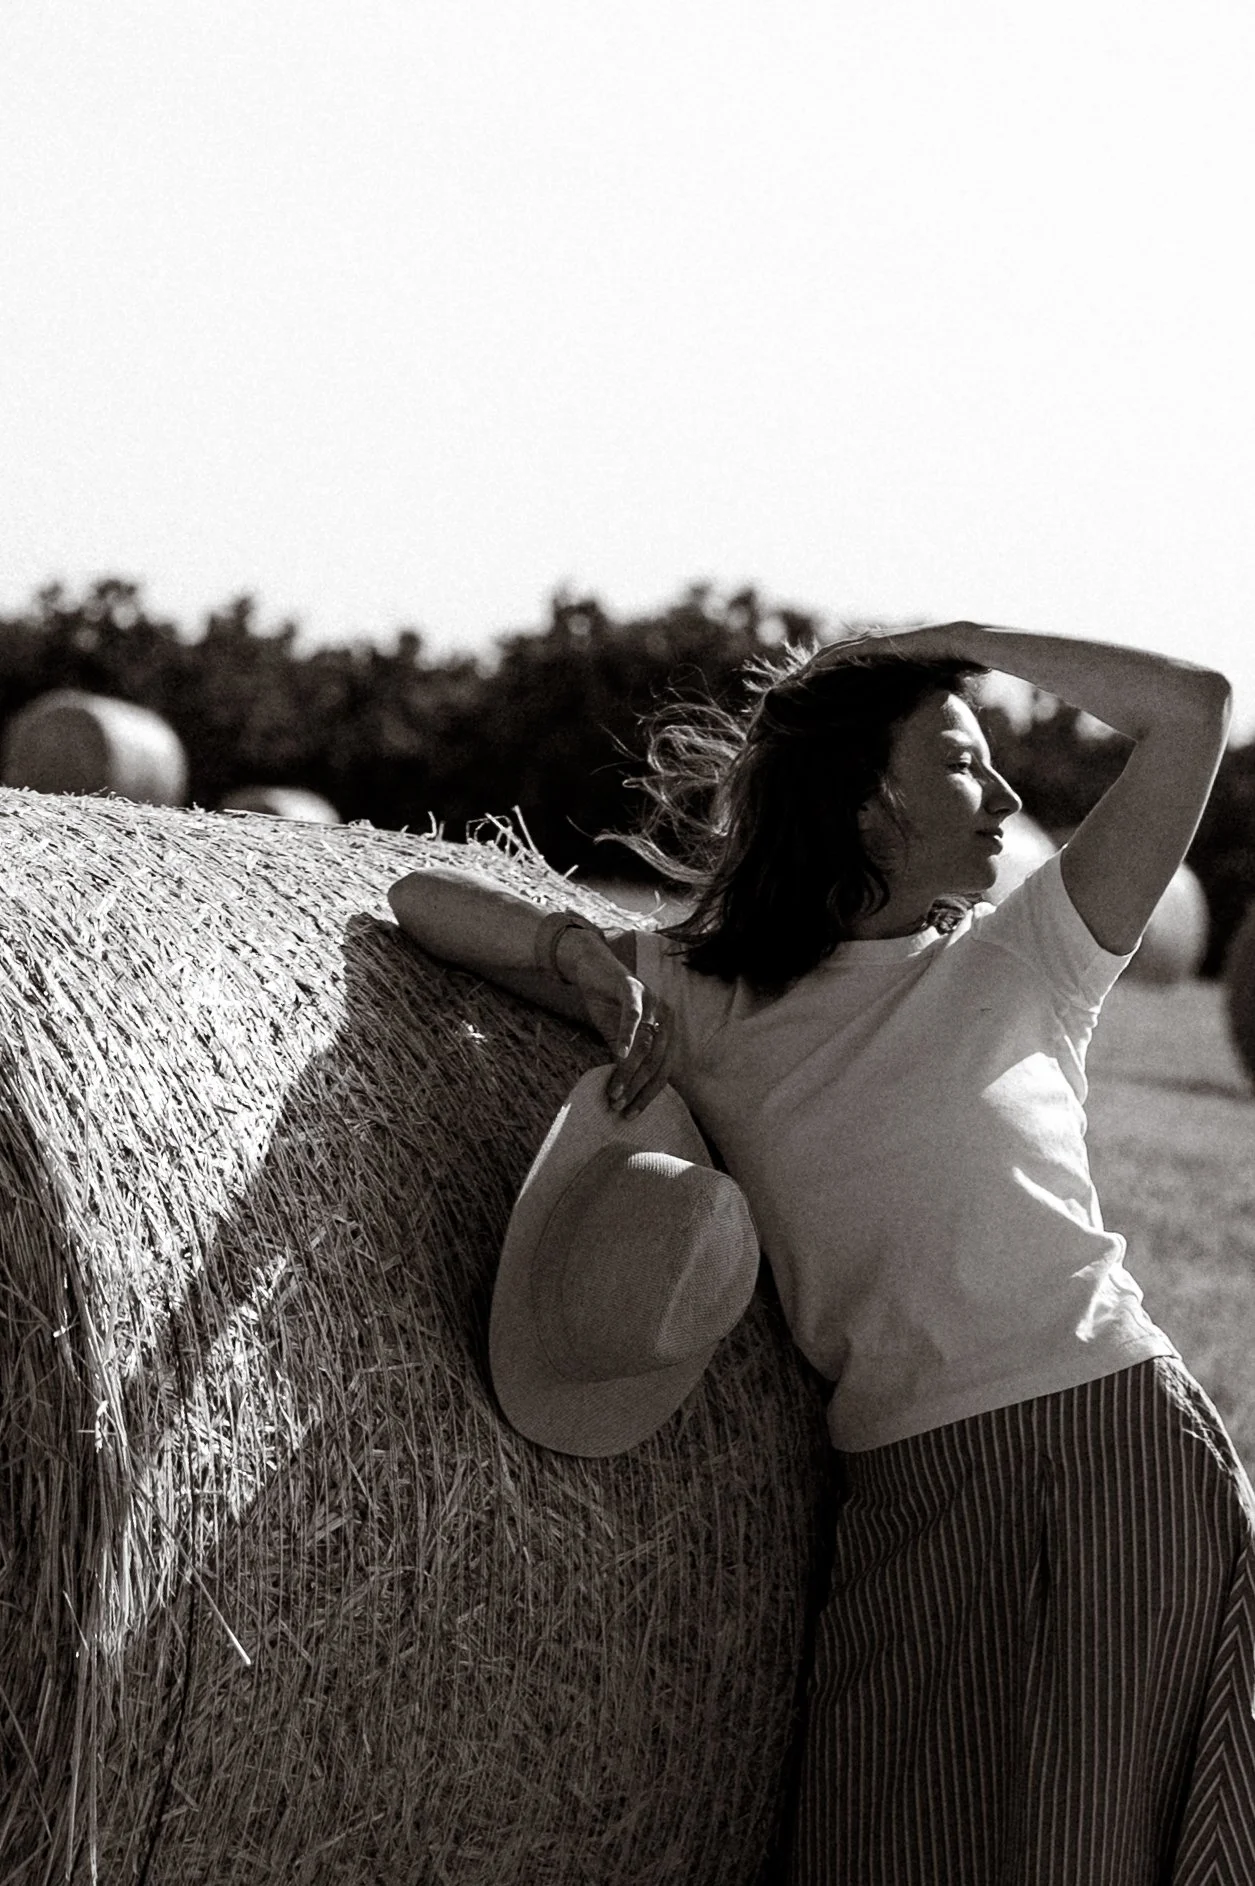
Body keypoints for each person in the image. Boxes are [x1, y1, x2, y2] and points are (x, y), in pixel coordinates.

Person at [387, 620, 1255, 1884]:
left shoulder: (1032, 955)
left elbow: (1195, 707)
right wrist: (573, 951)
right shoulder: (703, 994)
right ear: (860, 804)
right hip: (899, 1488)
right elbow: (416, 902)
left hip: (1104, 1450)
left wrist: (959, 642)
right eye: (963, 762)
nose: (1010, 798)